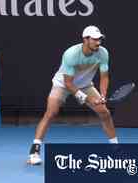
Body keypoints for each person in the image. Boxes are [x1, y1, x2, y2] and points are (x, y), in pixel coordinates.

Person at [27, 25, 118, 165]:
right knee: (51, 113)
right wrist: (88, 99)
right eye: (94, 40)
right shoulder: (71, 54)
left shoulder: (103, 53)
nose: (98, 43)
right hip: (63, 84)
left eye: (100, 39)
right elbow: (69, 84)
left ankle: (115, 148)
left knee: (104, 112)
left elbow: (104, 77)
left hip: (86, 85)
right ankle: (34, 151)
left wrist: (102, 95)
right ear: (85, 39)